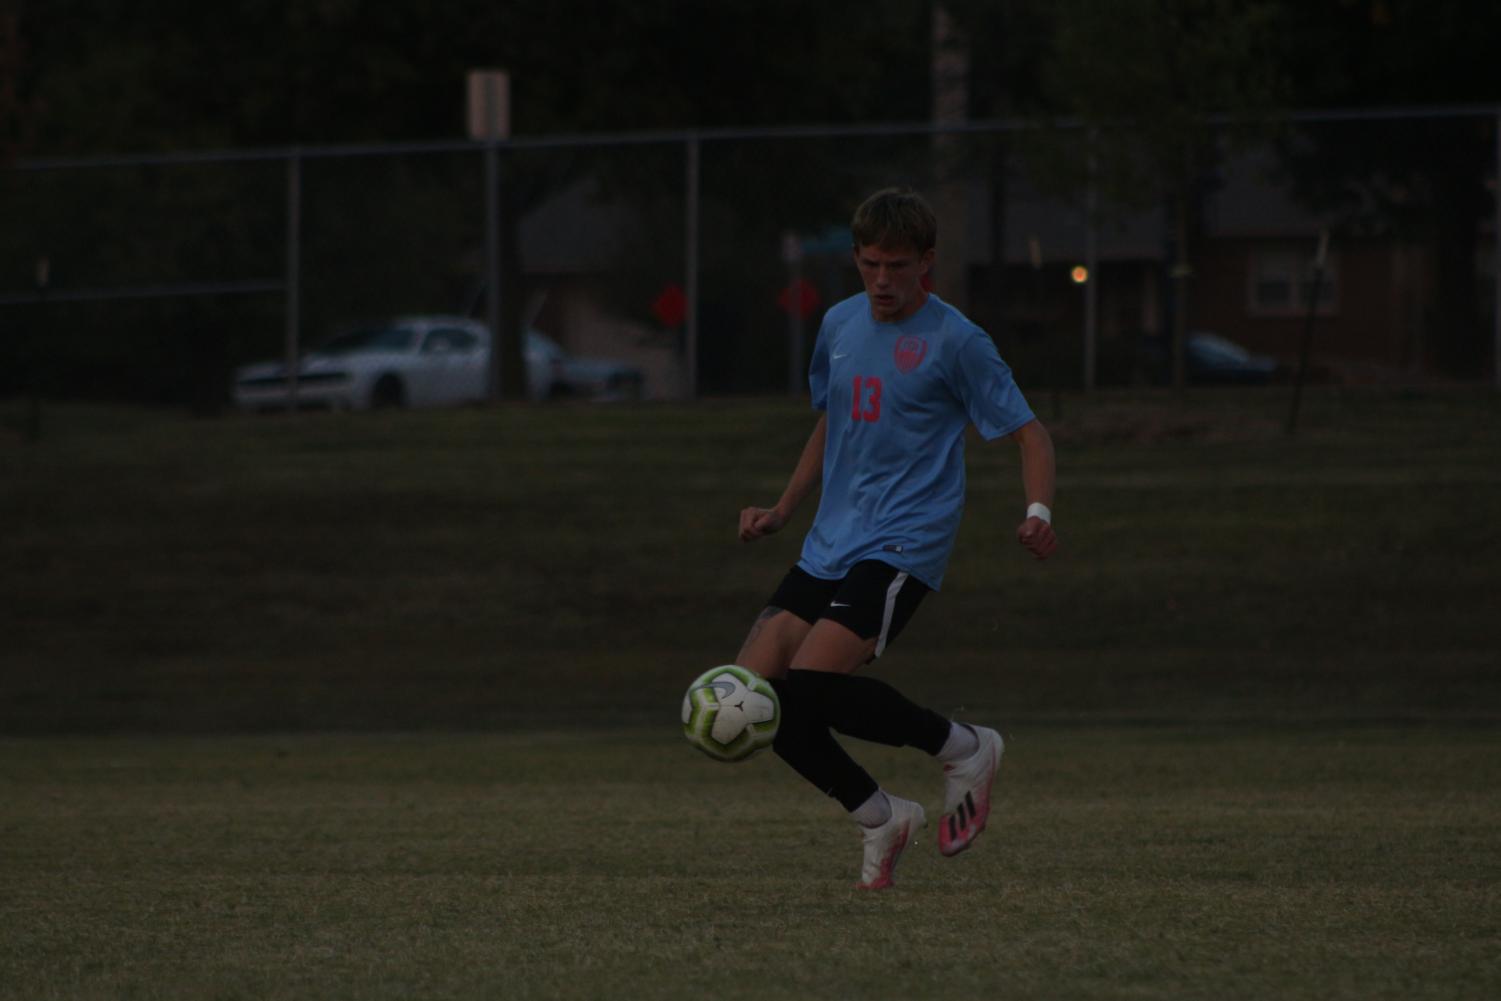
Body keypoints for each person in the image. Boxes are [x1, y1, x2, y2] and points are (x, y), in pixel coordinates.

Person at [736, 187, 1058, 890]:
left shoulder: (957, 340)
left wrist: (1038, 509)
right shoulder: (839, 324)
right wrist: (784, 508)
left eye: (898, 265)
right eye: (871, 263)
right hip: (830, 538)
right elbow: (834, 421)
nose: (883, 280)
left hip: (903, 540)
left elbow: (1029, 430)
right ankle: (880, 814)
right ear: (855, 258)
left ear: (927, 264)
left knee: (817, 682)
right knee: (758, 698)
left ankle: (964, 746)